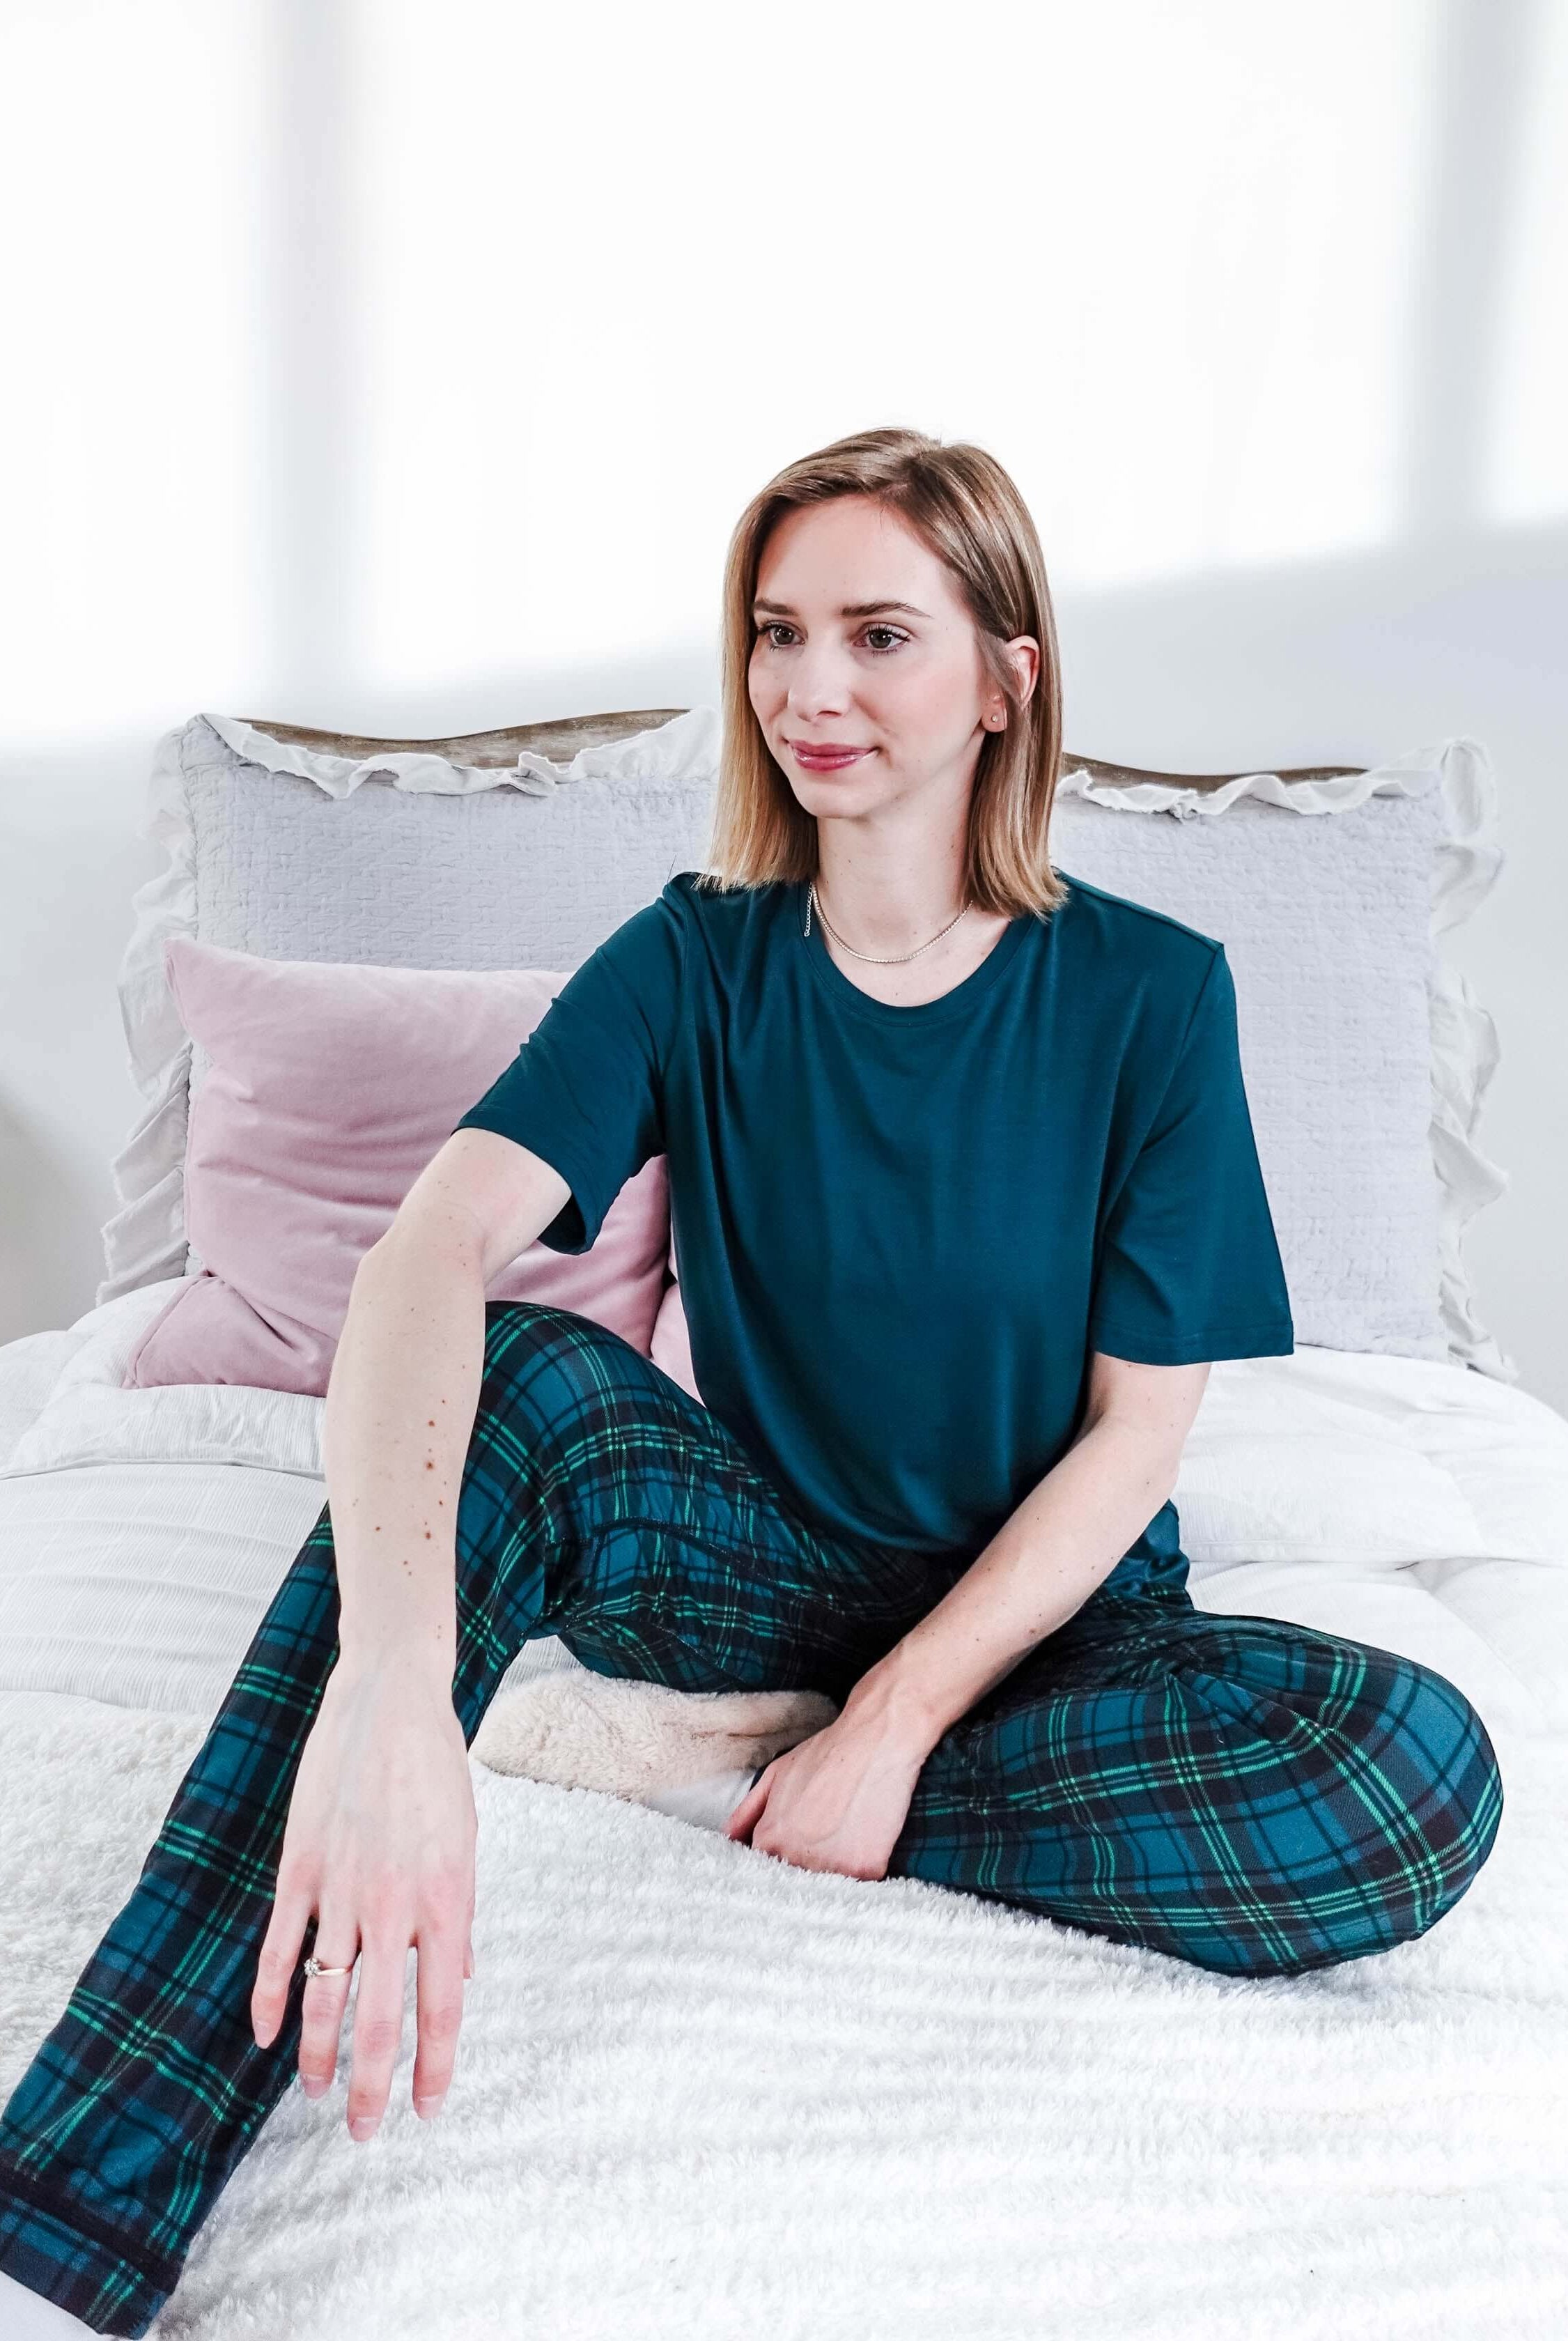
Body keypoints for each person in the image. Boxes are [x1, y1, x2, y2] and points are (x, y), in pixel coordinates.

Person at [0, 427, 1505, 2337]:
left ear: (1002, 680)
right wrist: (391, 1693)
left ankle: (730, 1768)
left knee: (1408, 1775)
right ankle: (58, 2237)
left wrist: (881, 1727)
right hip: (760, 1553)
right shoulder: (692, 957)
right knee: (525, 1379)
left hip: (1046, 1621)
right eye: (776, 633)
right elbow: (425, 1257)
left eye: (879, 634)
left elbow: (1140, 1435)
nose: (809, 687)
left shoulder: (1151, 990)